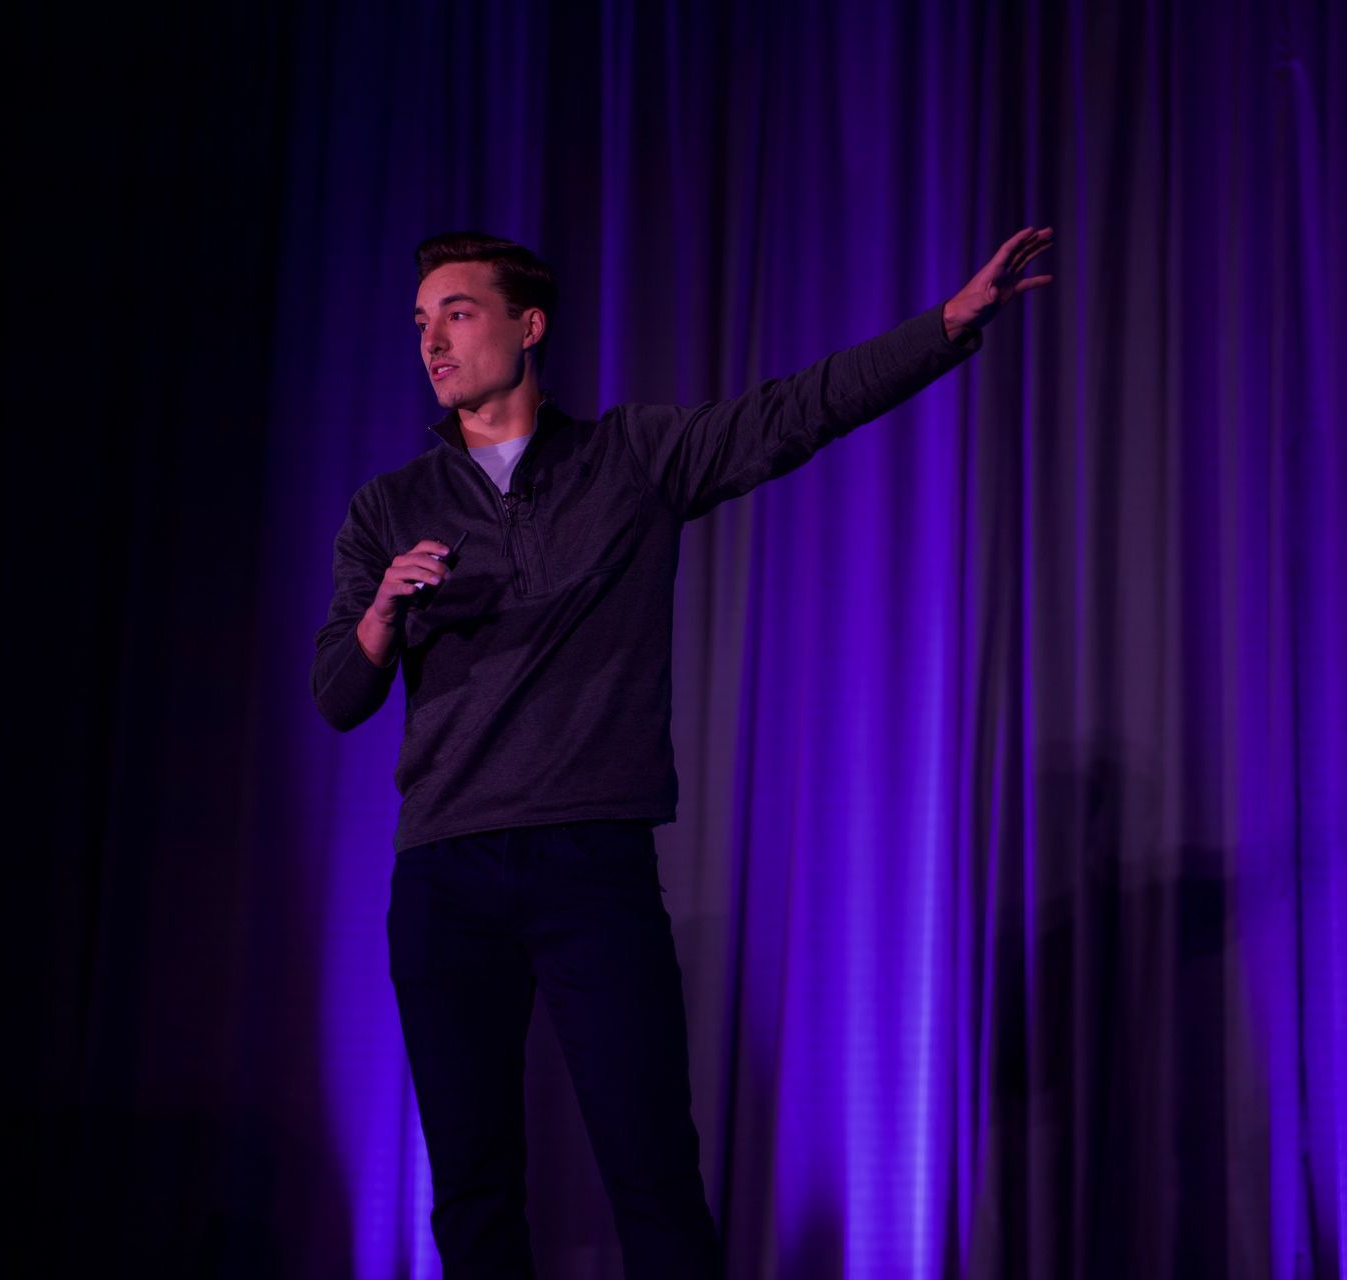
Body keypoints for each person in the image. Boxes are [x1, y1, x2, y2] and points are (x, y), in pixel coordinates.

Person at [311, 226, 1054, 1276]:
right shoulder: (389, 507)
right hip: (446, 872)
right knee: (473, 1188)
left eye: (459, 312)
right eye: (422, 322)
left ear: (530, 325)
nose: (433, 339)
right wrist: (383, 607)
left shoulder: (630, 459)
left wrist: (944, 327)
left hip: (589, 865)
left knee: (651, 1169)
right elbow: (339, 692)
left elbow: (795, 413)